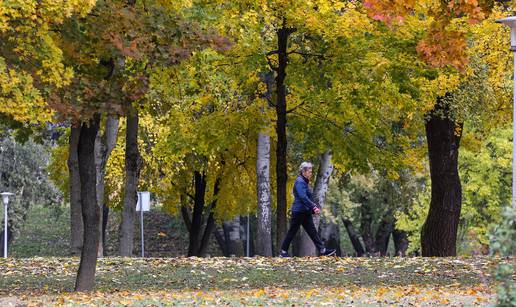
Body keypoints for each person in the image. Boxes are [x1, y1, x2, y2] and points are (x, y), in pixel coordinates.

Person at [279, 162, 336, 257]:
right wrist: (313, 207)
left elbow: (307, 198)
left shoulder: (304, 182)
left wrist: (312, 209)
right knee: (292, 231)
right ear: (303, 172)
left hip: (305, 212)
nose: (311, 173)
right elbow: (303, 197)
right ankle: (283, 252)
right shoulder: (299, 182)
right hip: (299, 212)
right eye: (309, 172)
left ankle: (322, 250)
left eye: (311, 171)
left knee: (313, 231)